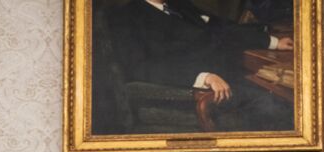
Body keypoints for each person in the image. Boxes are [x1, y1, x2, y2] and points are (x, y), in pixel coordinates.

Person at [109, 0, 294, 132]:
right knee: (275, 105)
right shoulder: (125, 17)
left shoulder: (179, 5)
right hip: (188, 92)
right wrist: (202, 77)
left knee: (284, 94)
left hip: (229, 78)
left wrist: (273, 42)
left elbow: (222, 29)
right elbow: (140, 67)